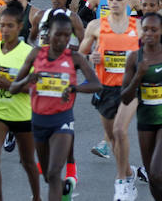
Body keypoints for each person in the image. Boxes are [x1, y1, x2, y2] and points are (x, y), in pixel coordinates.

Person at [10, 13, 101, 201]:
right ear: (48, 34)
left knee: (53, 171)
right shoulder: (36, 54)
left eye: (67, 36)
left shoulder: (75, 58)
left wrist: (75, 88)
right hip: (38, 121)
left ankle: (60, 188)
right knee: (48, 176)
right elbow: (13, 87)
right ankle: (64, 191)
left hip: (62, 121)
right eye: (58, 34)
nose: (62, 39)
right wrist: (29, 79)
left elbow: (96, 84)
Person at [77, 0, 141, 199]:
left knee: (119, 131)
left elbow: (151, 54)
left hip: (129, 89)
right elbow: (81, 54)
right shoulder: (96, 27)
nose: (114, 2)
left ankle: (122, 182)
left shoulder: (137, 27)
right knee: (114, 139)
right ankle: (129, 172)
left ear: (127, 0)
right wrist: (92, 57)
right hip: (104, 87)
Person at [120, 13, 162, 201]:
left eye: (154, 30)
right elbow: (125, 98)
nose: (149, 33)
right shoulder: (134, 58)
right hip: (145, 121)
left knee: (158, 173)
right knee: (153, 181)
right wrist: (138, 77)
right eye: (145, 29)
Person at [0, 2, 40, 201]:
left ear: (19, 27)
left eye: (10, 26)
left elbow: (36, 88)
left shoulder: (28, 53)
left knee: (27, 162)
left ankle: (36, 196)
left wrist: (9, 85)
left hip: (23, 115)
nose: (5, 29)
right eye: (2, 25)